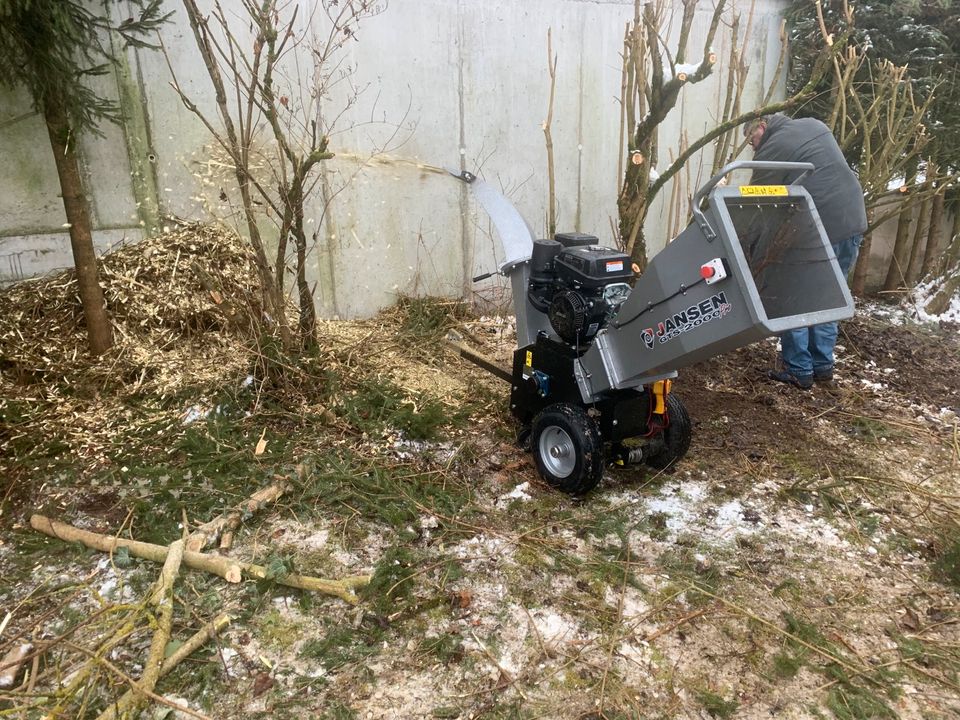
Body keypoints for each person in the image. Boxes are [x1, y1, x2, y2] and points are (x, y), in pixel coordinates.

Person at [744, 113, 866, 390]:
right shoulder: (815, 124)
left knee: (792, 294)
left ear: (762, 127)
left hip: (816, 228)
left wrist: (747, 243)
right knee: (828, 294)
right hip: (851, 221)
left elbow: (752, 200)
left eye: (752, 139)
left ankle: (799, 369)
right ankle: (822, 365)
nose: (753, 146)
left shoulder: (773, 148)